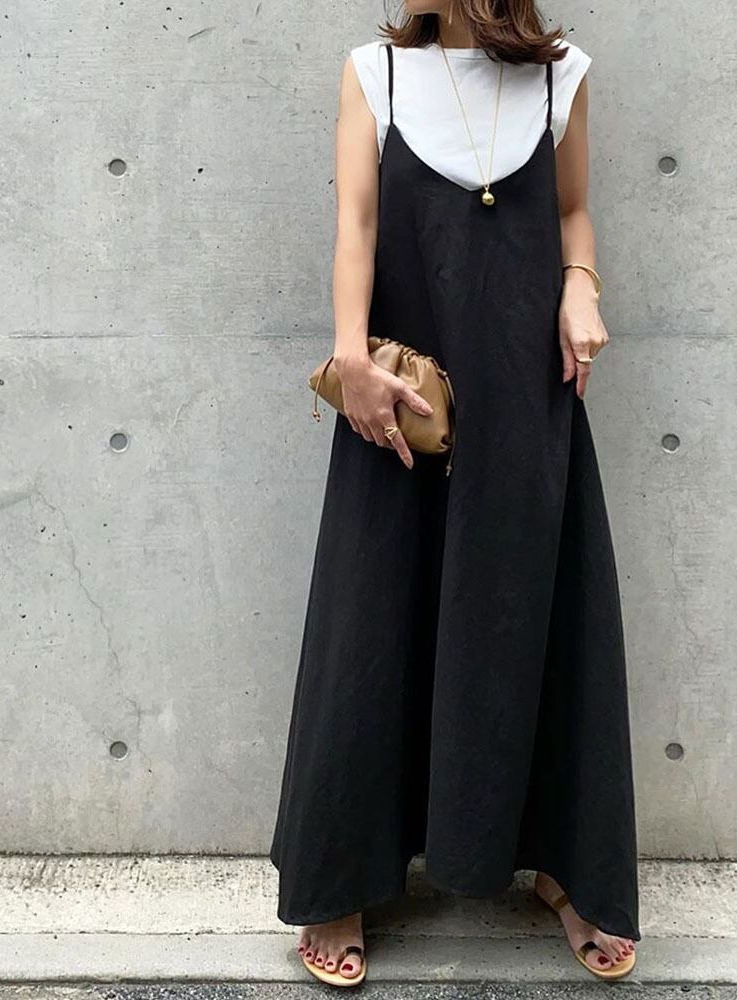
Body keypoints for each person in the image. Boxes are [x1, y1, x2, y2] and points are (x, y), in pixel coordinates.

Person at [269, 0, 640, 986]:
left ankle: (564, 864)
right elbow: (355, 224)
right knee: (369, 627)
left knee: (537, 616)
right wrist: (350, 360)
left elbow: (571, 212)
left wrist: (581, 284)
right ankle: (340, 876)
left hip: (526, 390)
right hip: (400, 403)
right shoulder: (375, 73)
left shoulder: (562, 76)